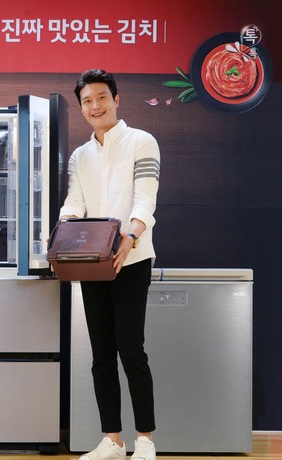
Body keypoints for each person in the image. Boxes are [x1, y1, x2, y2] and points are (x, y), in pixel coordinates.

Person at [59, 70, 160, 460]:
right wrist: (63, 232)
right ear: (82, 107)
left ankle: (145, 440)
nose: (95, 106)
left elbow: (145, 197)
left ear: (116, 99)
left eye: (101, 97)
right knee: (101, 354)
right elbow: (75, 203)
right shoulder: (79, 156)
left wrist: (131, 235)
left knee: (131, 350)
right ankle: (113, 441)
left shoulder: (141, 141)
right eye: (87, 101)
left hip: (131, 259)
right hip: (92, 263)